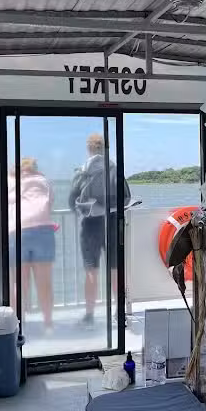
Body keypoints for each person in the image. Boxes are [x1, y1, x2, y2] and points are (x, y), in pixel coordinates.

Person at [69, 133, 130, 328]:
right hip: (112, 223)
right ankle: (119, 313)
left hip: (90, 225)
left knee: (91, 271)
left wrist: (89, 207)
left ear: (88, 148)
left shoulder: (83, 171)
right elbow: (126, 198)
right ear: (105, 149)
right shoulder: (115, 169)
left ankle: (89, 315)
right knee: (115, 270)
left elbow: (72, 201)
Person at [7, 157, 56, 334]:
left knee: (19, 283)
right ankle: (48, 325)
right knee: (44, 283)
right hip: (43, 230)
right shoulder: (43, 181)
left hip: (17, 231)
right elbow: (50, 203)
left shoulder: (11, 181)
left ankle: (18, 324)